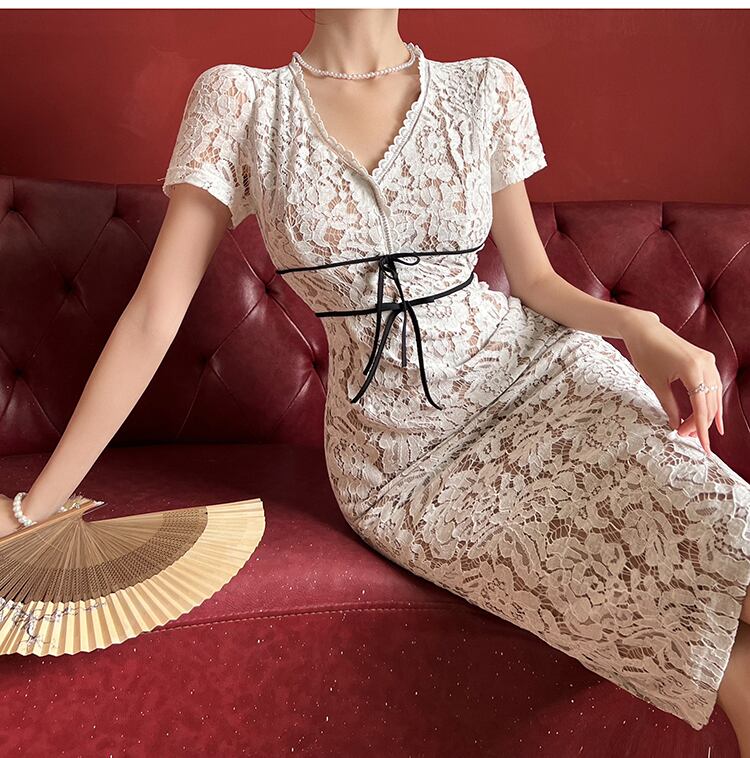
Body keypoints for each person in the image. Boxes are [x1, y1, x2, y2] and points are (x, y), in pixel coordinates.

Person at [2, 8, 750, 751]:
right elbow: (152, 317)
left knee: (727, 541)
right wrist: (35, 511)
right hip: (403, 465)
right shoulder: (240, 102)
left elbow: (536, 281)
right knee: (721, 638)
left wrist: (641, 328)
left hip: (543, 377)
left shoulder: (485, 87)